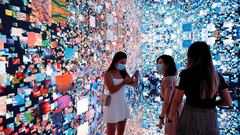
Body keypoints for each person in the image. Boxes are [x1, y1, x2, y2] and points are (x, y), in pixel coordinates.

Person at [167, 42, 232, 135]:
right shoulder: (216, 76)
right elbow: (228, 102)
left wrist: (170, 118)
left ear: (190, 56)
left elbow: (177, 99)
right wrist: (212, 102)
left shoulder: (185, 74)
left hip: (190, 116)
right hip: (210, 118)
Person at [103, 51, 139, 135]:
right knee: (110, 133)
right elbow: (111, 90)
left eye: (124, 63)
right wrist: (123, 82)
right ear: (116, 61)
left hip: (122, 104)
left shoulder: (123, 72)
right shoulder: (108, 74)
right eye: (121, 62)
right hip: (112, 105)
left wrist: (136, 77)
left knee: (121, 132)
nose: (123, 65)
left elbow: (133, 85)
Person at [156, 55, 183, 135]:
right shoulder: (172, 77)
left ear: (167, 65)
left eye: (160, 63)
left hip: (173, 112)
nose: (158, 66)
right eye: (157, 63)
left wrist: (161, 117)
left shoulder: (168, 79)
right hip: (176, 110)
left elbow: (167, 101)